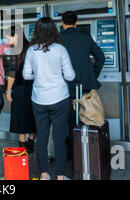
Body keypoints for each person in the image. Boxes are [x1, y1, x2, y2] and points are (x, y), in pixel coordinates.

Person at [23, 17, 75, 180]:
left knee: (42, 136)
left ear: (36, 31)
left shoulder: (31, 51)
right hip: (60, 98)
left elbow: (26, 75)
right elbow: (70, 75)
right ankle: (60, 175)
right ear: (54, 30)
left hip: (39, 99)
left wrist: (39, 75)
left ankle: (44, 174)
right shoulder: (60, 49)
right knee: (59, 137)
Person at [60, 11, 105, 160]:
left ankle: (71, 153)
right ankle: (86, 150)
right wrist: (92, 74)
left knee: (69, 120)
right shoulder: (85, 37)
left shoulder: (59, 39)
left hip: (65, 87)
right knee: (86, 117)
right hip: (84, 85)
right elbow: (100, 57)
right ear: (76, 23)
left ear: (62, 23)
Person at [4, 26, 36, 154]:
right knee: (31, 115)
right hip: (33, 88)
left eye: (9, 38)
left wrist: (8, 91)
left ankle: (22, 146)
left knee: (20, 117)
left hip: (19, 88)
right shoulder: (31, 47)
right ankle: (31, 143)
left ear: (16, 36)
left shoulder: (15, 51)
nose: (9, 41)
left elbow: (12, 74)